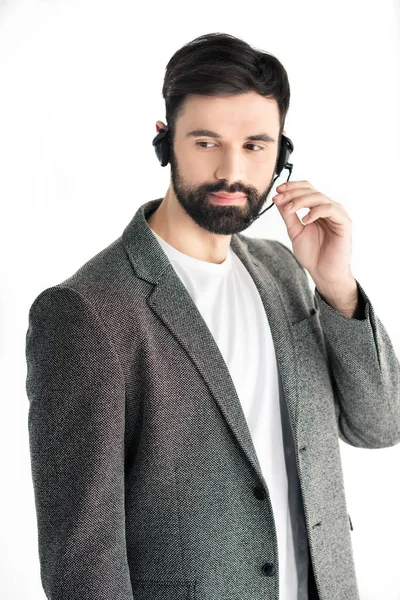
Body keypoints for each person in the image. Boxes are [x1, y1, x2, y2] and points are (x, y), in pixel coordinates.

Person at [25, 32, 400, 600]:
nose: (232, 170)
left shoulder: (284, 270)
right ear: (164, 142)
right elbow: (82, 559)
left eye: (255, 145)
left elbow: (379, 425)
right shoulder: (87, 312)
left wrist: (337, 287)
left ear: (282, 152)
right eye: (206, 142)